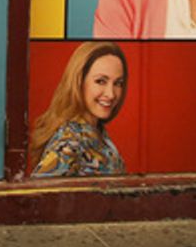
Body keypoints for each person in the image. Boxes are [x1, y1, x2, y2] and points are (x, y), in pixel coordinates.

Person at [30, 42, 127, 177]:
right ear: (78, 81)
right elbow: (38, 195)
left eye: (118, 83)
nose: (111, 94)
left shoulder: (97, 131)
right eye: (100, 81)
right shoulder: (70, 140)